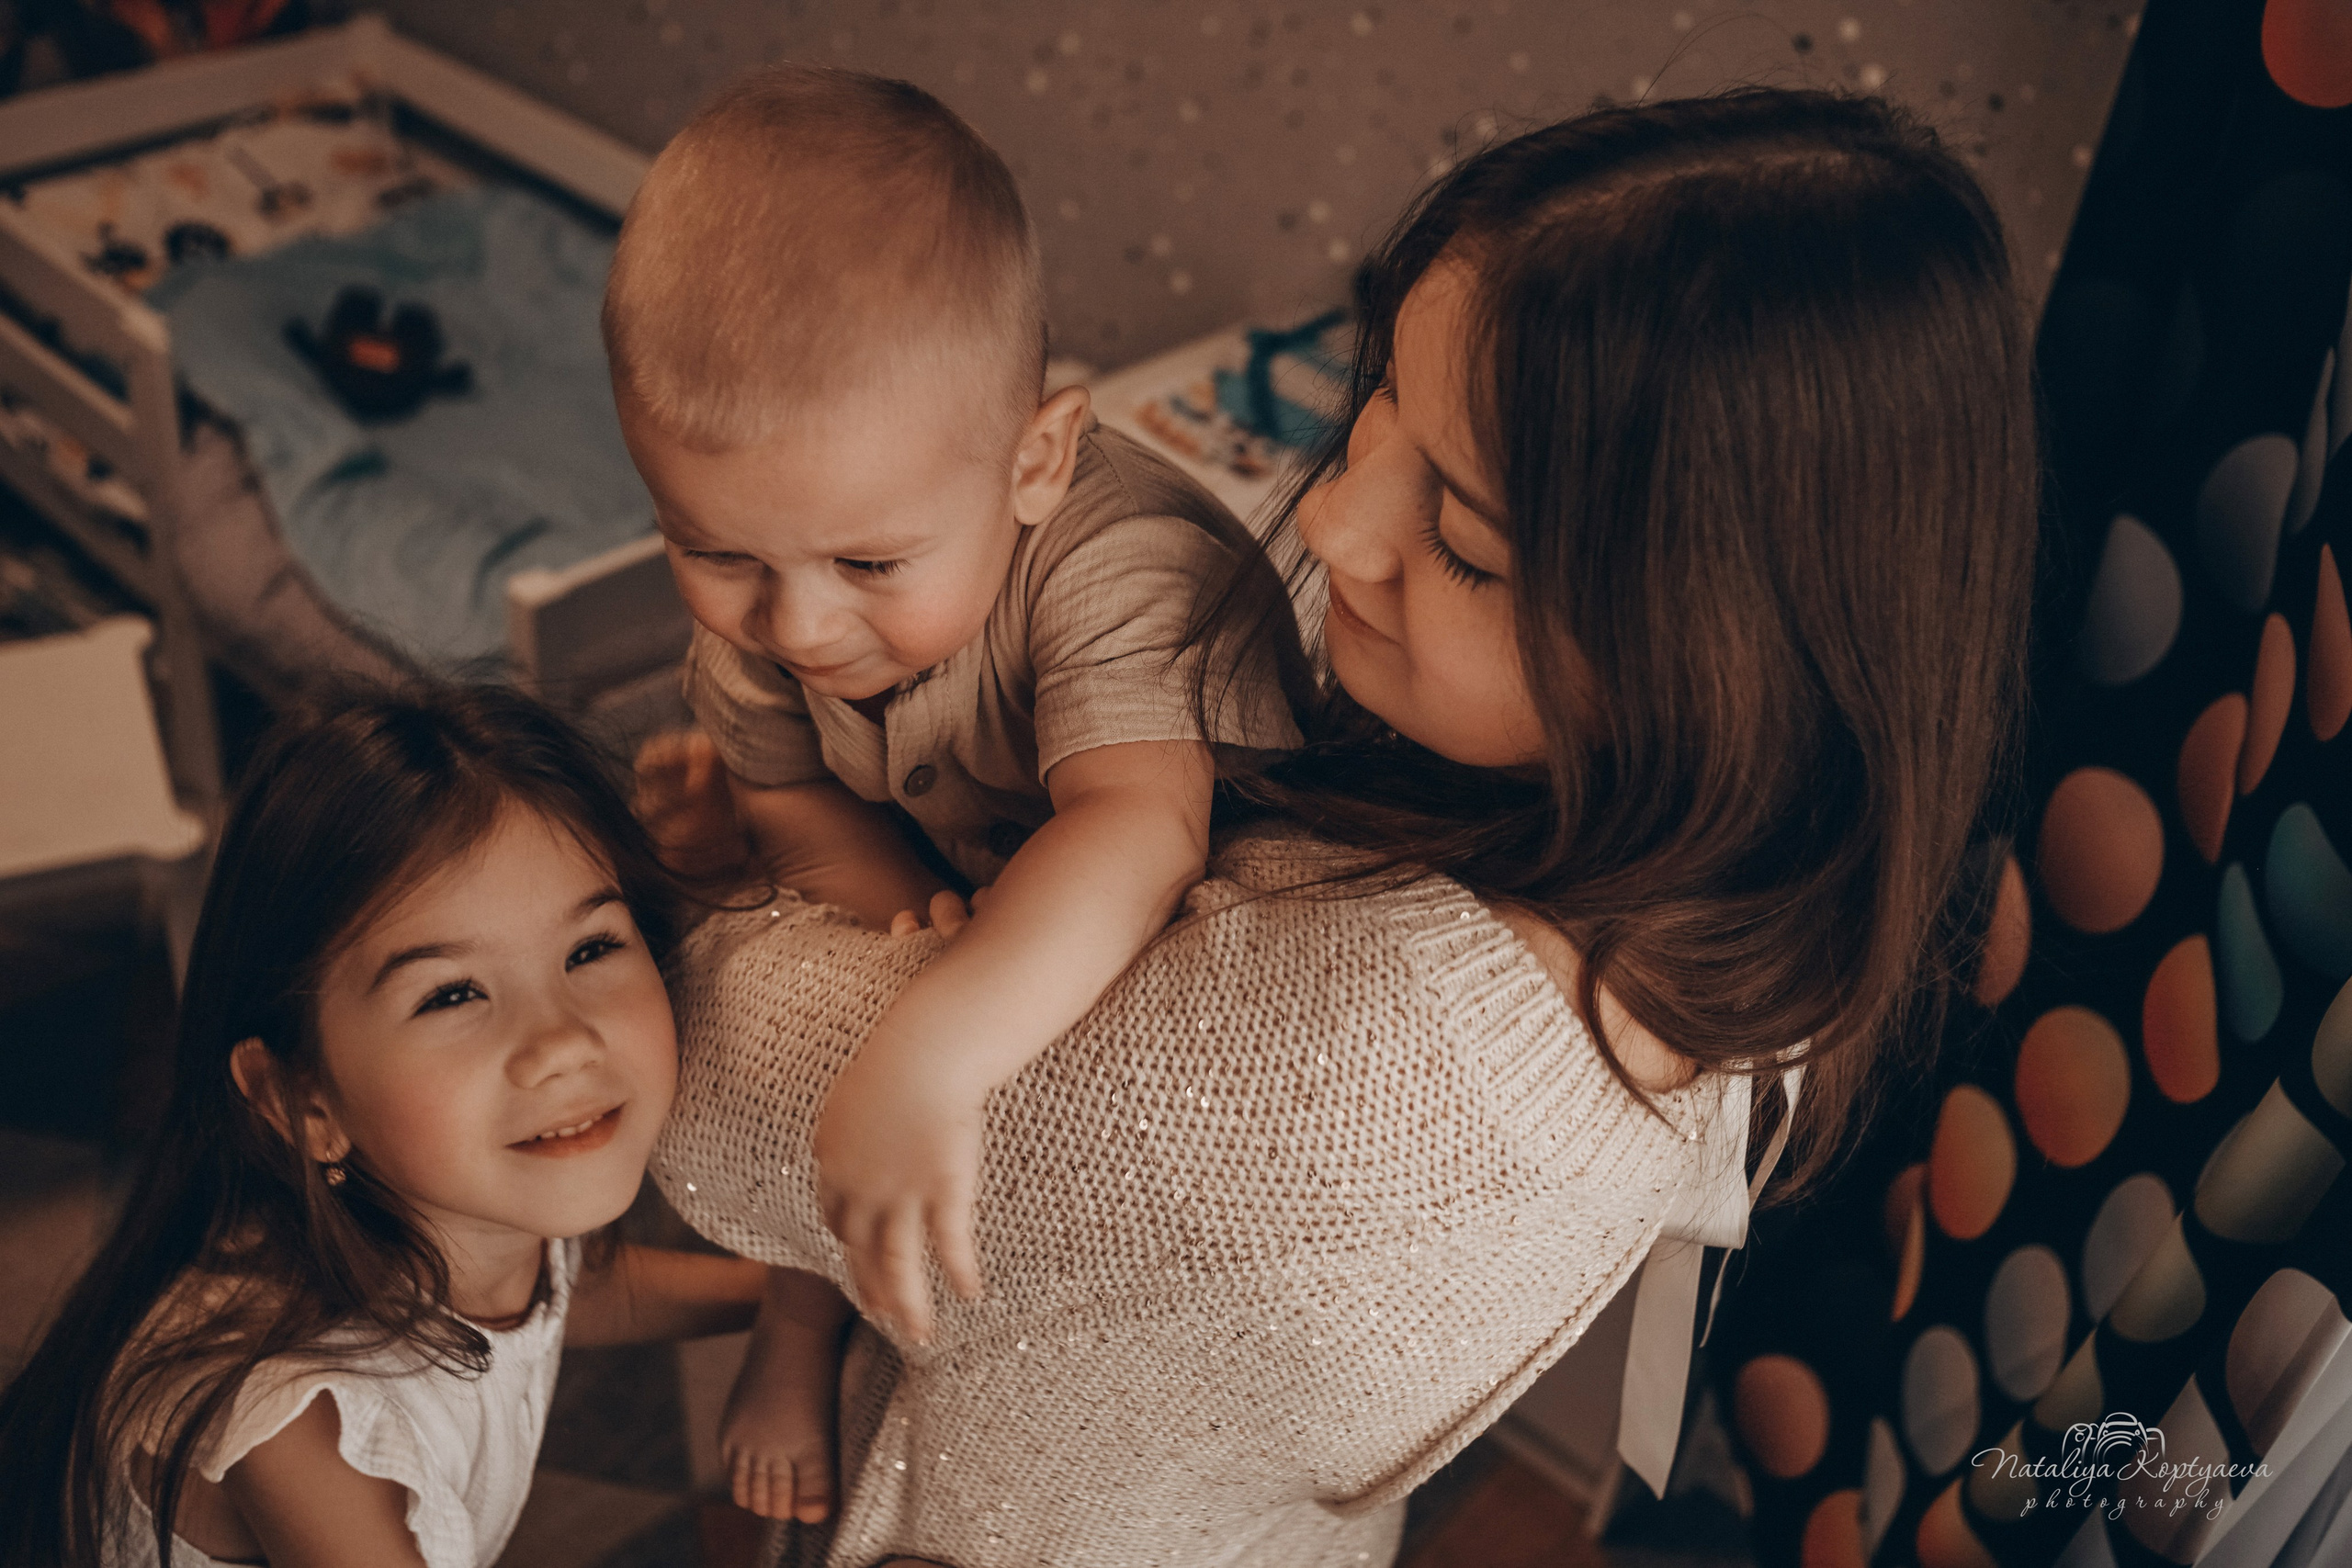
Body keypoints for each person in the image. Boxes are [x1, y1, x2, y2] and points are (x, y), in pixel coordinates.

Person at [645, 86, 2039, 1567]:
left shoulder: (1355, 1082)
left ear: (1716, 661)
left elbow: (701, 1075)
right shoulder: (1695, 890)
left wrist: (686, 883)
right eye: (1380, 402)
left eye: (1466, 540)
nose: (1330, 527)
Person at [601, 62, 1302, 1521]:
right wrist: (898, 915)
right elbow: (797, 803)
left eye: (868, 563)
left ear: (1037, 458)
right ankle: (801, 1323)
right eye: (715, 551)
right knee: (822, 1078)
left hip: (1193, 925)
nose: (795, 625)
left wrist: (927, 1041)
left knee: (928, 1125)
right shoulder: (773, 609)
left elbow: (1141, 823)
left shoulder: (1124, 564)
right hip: (970, 869)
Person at [0, 686, 769, 1568]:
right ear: (305, 1099)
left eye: (590, 948)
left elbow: (561, 1300)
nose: (561, 1041)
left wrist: (781, 1295)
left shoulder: (463, 1215)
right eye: (451, 993)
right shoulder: (307, 1425)